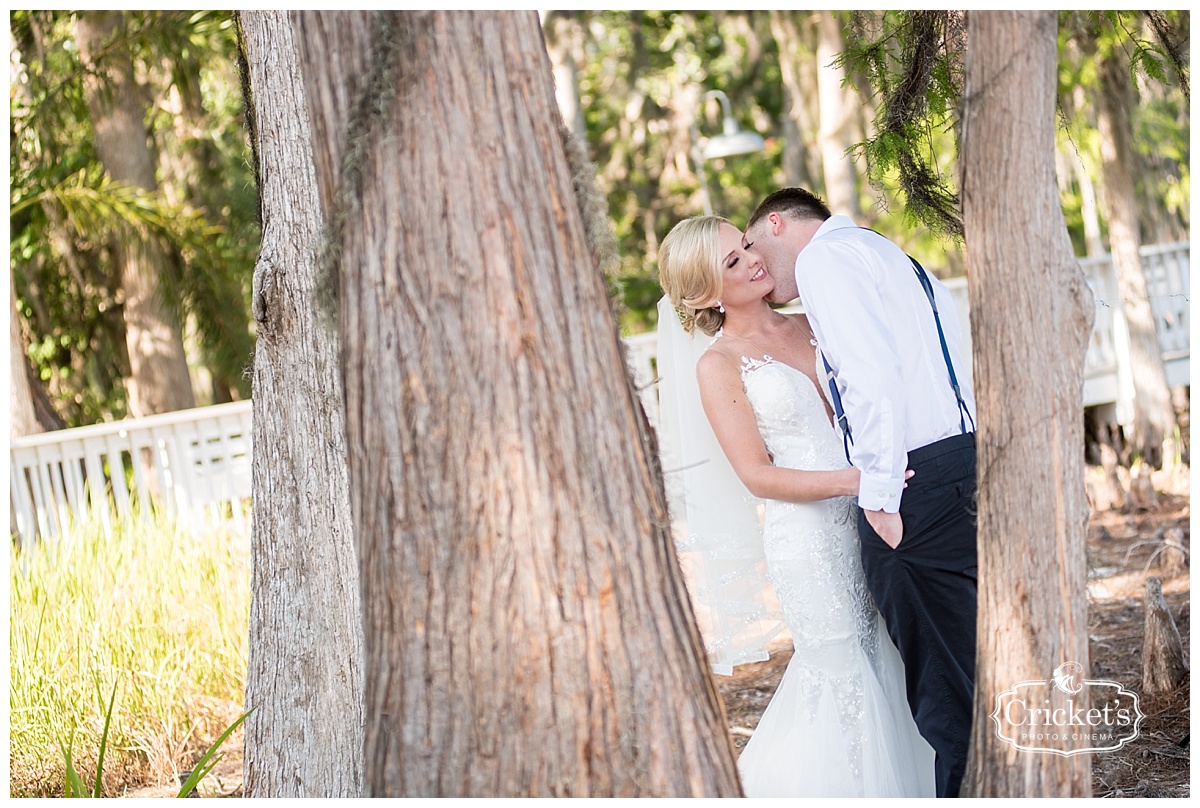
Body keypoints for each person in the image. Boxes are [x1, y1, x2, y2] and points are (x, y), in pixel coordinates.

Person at [656, 214, 934, 798]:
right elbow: (757, 474)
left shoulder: (812, 322)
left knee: (892, 658)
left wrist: (875, 481)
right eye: (733, 262)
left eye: (747, 245)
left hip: (875, 515)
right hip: (810, 543)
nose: (754, 259)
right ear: (706, 292)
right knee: (841, 674)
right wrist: (854, 481)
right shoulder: (718, 364)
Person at [742, 188, 978, 798]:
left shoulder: (825, 260)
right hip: (957, 461)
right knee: (967, 664)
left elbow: (871, 379)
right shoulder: (884, 250)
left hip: (911, 485)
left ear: (775, 223)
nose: (759, 273)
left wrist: (878, 497)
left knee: (946, 692)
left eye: (752, 249)